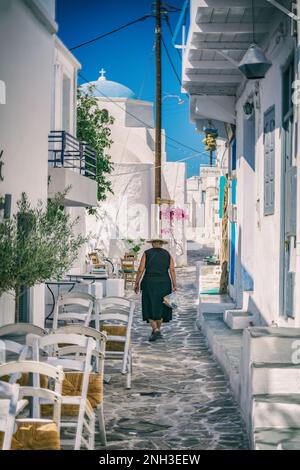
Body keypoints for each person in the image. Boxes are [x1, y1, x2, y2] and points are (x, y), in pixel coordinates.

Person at [134, 238, 177, 342]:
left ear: (152, 244)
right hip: (164, 283)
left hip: (149, 282)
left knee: (149, 305)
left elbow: (141, 269)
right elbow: (172, 269)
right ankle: (157, 330)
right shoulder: (167, 254)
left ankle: (155, 329)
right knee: (161, 306)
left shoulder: (147, 253)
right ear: (161, 244)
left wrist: (137, 283)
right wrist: (174, 284)